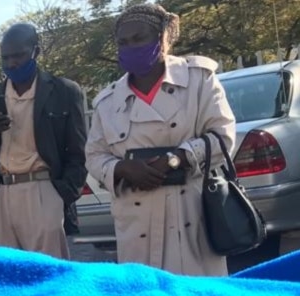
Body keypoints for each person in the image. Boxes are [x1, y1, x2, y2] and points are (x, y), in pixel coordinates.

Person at [85, 3, 235, 276]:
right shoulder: (107, 102)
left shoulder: (199, 79)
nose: (131, 47)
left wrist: (176, 159)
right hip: (136, 223)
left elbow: (222, 137)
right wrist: (122, 169)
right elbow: (94, 156)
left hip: (192, 216)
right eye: (123, 42)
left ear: (163, 37)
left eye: (140, 38)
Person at [0, 22, 88, 258]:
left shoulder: (64, 92)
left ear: (36, 51)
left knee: (48, 273)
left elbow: (78, 151)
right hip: (1, 193)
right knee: (7, 275)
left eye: (19, 56)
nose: (12, 63)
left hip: (44, 190)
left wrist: (63, 195)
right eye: (6, 58)